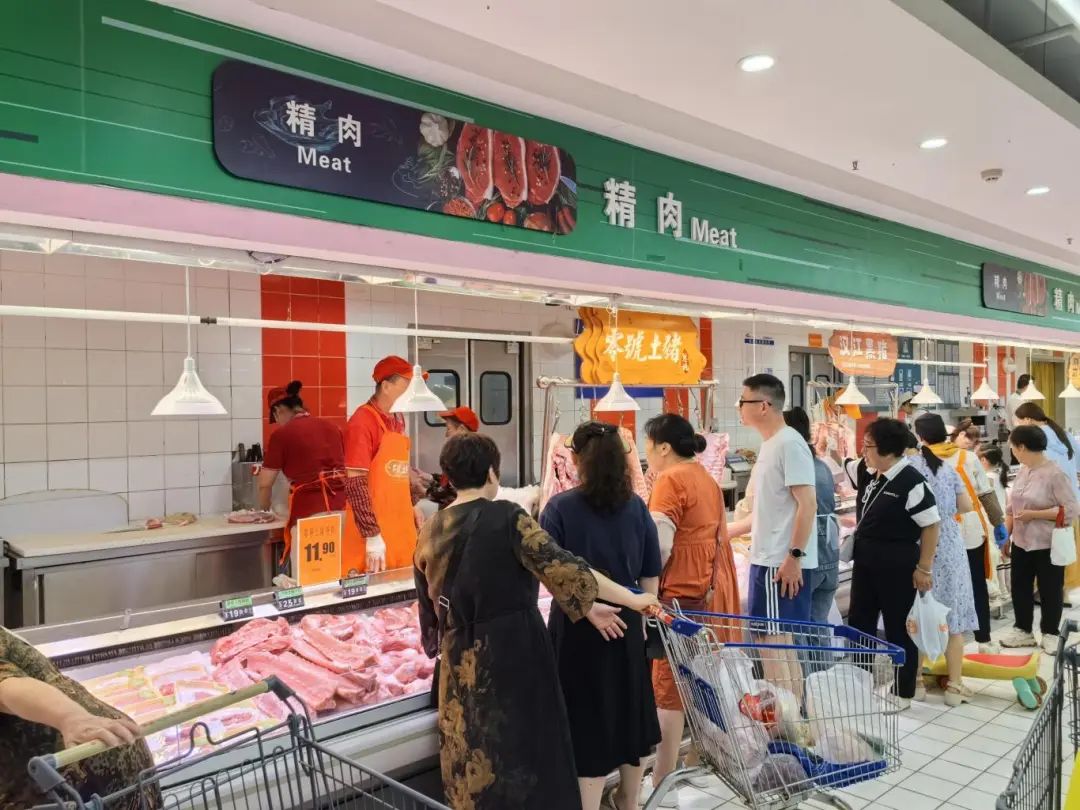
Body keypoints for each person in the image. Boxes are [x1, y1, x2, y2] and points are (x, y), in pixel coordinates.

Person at [414, 432, 657, 810]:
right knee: (524, 758)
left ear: (449, 476)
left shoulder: (429, 529)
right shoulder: (508, 517)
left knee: (471, 763)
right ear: (492, 473)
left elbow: (428, 616)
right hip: (514, 656)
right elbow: (567, 569)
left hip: (458, 661)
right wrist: (634, 599)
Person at [539, 422, 661, 810]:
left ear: (577, 460)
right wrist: (643, 616)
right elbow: (650, 573)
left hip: (577, 630)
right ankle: (629, 800)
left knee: (585, 725)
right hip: (627, 622)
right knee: (630, 714)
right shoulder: (636, 506)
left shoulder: (559, 508)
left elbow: (550, 573)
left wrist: (588, 608)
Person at [641, 413, 735, 807]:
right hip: (703, 595)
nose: (647, 455)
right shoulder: (705, 478)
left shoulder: (670, 480)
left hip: (676, 600)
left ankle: (662, 786)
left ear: (663, 447)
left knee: (668, 693)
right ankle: (694, 764)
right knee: (692, 685)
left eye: (648, 446)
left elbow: (660, 547)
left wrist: (642, 589)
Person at [0, 627, 157, 809]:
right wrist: (72, 717)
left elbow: (10, 685)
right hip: (79, 784)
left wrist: (72, 717)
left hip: (87, 785)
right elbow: (8, 687)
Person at [843, 418, 940, 709]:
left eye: (868, 446)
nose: (863, 451)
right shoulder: (870, 472)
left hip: (897, 562)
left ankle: (903, 690)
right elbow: (842, 466)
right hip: (865, 561)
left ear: (887, 450)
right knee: (860, 622)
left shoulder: (912, 481)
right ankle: (860, 682)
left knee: (899, 626)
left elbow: (931, 525)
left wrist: (924, 568)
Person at [728, 374, 817, 624]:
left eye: (743, 401)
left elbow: (808, 505)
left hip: (780, 563)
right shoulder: (771, 444)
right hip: (766, 559)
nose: (739, 407)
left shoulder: (789, 443)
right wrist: (726, 531)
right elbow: (770, 509)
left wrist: (794, 558)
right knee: (768, 639)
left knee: (775, 639)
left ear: (763, 406)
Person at [917, 413, 1005, 654]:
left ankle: (935, 644)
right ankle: (983, 640)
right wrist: (998, 522)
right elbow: (986, 493)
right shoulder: (967, 457)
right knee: (975, 585)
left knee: (935, 590)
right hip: (969, 532)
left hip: (933, 535)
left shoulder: (917, 460)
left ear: (921, 436)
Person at [909, 417, 981, 704]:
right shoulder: (948, 468)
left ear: (919, 436)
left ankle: (916, 683)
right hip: (949, 545)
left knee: (919, 615)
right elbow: (966, 505)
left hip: (918, 544)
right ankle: (954, 686)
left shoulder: (910, 466)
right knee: (954, 618)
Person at [344, 356, 430, 575]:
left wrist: (411, 504)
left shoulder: (398, 419)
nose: (412, 391)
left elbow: (397, 472)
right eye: (407, 384)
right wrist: (371, 535)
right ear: (386, 386)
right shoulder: (362, 422)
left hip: (400, 527)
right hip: (373, 534)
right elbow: (355, 483)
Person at [1001, 426, 1080, 654]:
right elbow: (1012, 508)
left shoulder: (1055, 474)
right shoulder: (1023, 471)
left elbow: (1070, 510)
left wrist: (1034, 515)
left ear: (1021, 447)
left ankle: (1050, 633)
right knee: (1020, 587)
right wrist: (1006, 535)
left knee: (1050, 590)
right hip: (1021, 542)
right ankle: (1023, 630)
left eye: (1013, 447)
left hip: (1048, 543)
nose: (1012, 451)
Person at [259, 381, 347, 573]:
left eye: (275, 417)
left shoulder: (281, 435)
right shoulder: (332, 427)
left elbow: (265, 483)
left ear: (278, 410)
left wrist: (263, 510)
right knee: (341, 574)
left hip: (309, 515)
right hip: (343, 509)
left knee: (311, 578)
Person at [1013, 401, 1080, 595]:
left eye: (1019, 422)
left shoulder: (1036, 441)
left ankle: (1046, 594)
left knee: (1044, 559)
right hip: (1070, 500)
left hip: (1047, 511)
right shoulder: (1063, 434)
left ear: (1027, 420)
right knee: (1062, 553)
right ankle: (1062, 592)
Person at [783, 407, 839, 623]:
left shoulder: (797, 467)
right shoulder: (822, 466)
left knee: (798, 630)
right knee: (818, 628)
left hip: (808, 557)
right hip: (830, 556)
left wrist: (793, 556)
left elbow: (807, 509)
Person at [426, 407, 479, 511]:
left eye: (448, 429)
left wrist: (425, 492)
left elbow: (451, 493)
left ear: (462, 429)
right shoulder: (460, 454)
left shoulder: (466, 458)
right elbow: (448, 482)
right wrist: (430, 478)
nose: (446, 434)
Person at [979, 446, 1012, 605]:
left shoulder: (986, 478)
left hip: (990, 521)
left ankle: (1000, 592)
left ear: (984, 460)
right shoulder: (1000, 476)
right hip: (1001, 519)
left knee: (994, 558)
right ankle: (1007, 591)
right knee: (1004, 556)